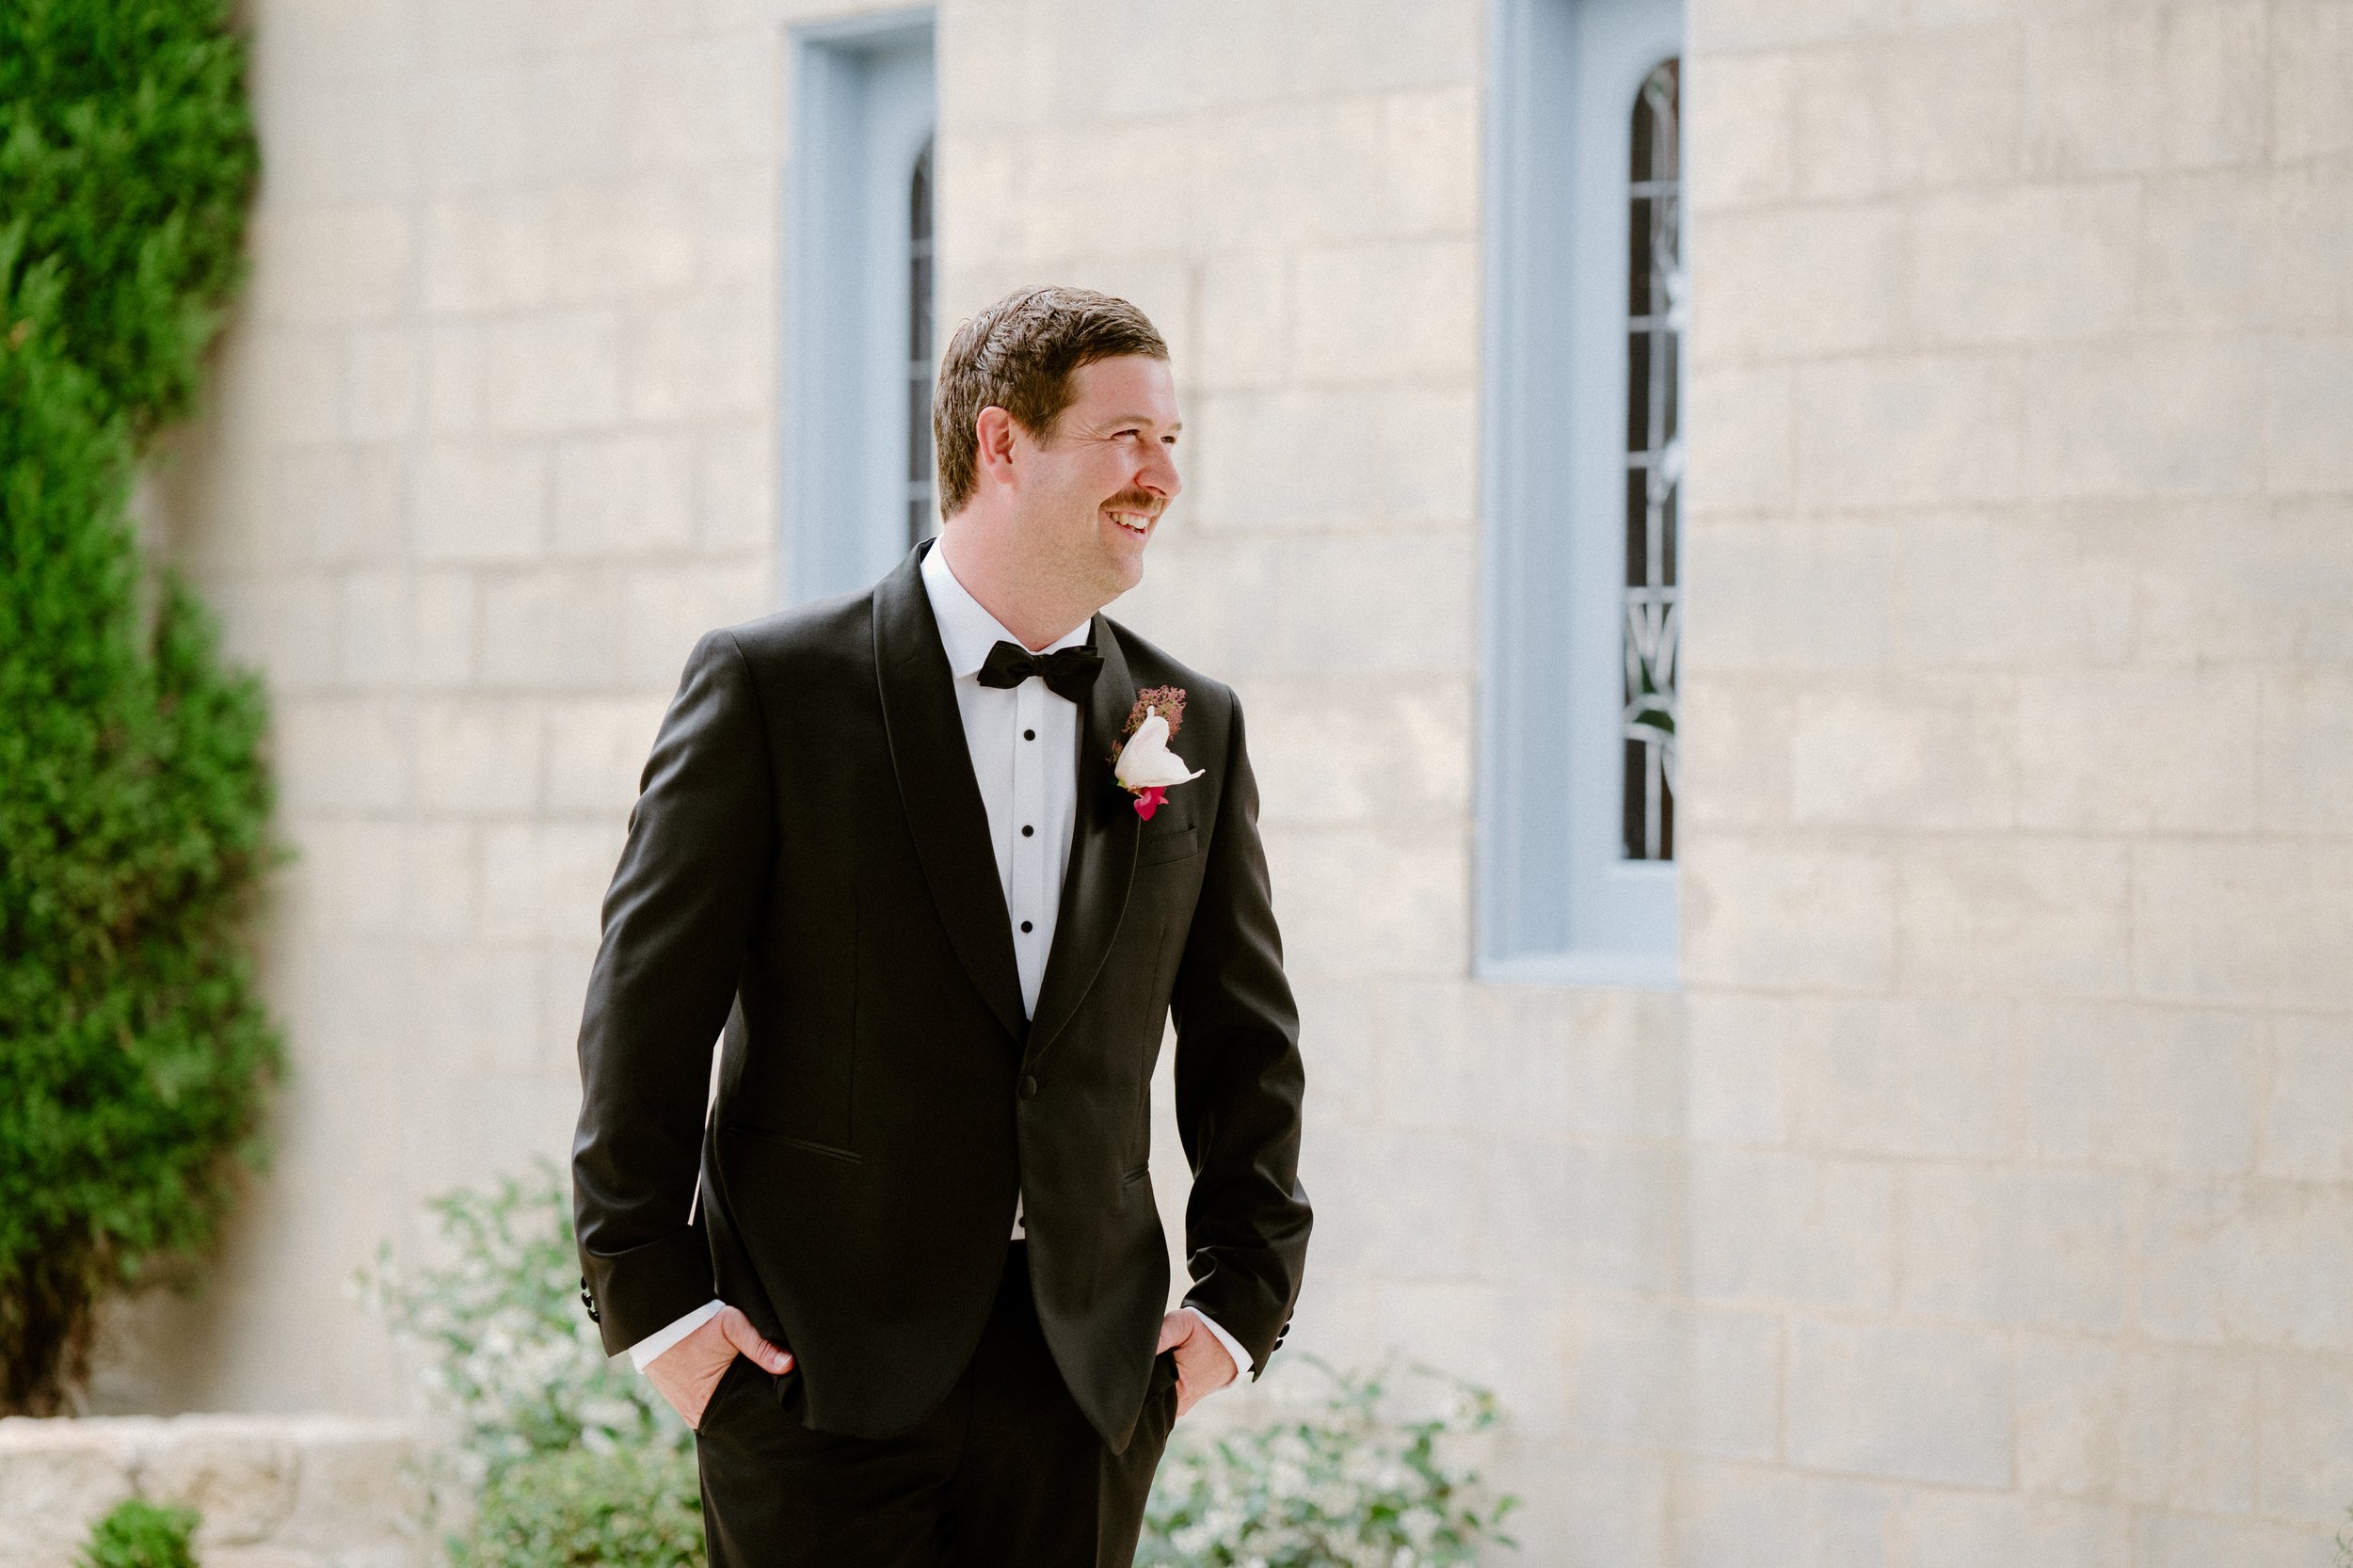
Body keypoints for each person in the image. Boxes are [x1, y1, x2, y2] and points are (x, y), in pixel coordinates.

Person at [570, 285, 1312, 1568]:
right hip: (813, 1377)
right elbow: (644, 1014)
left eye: (1173, 442)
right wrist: (661, 1314)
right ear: (1000, 442)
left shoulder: (1195, 721)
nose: (1160, 477)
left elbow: (1246, 1037)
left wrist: (1241, 1302)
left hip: (1084, 1389)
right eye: (1126, 437)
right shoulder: (771, 687)